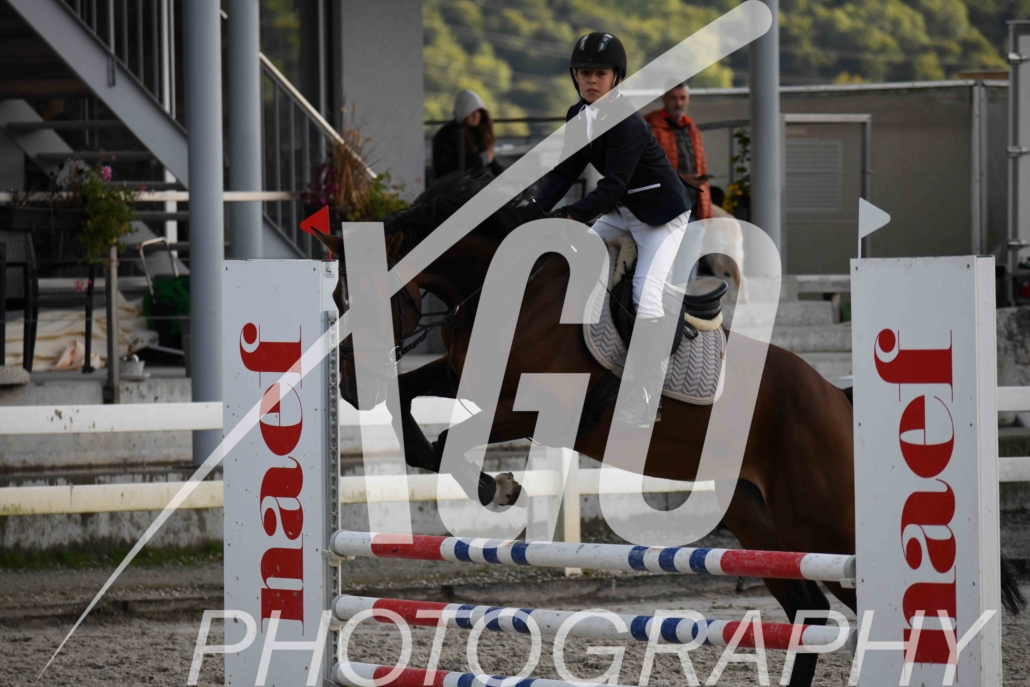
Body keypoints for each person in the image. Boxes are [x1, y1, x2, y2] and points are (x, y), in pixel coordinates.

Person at [531, 32, 696, 428]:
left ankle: (646, 396)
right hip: (623, 211)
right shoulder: (577, 114)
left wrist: (571, 215)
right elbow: (565, 172)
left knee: (646, 294)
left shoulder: (628, 123)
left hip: (660, 217)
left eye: (600, 74)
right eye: (584, 72)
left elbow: (612, 185)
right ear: (574, 76)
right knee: (572, 259)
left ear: (616, 77)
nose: (591, 80)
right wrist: (531, 211)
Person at [644, 81, 712, 220]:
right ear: (664, 99)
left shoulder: (692, 128)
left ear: (688, 99)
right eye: (673, 98)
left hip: (693, 207)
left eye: (682, 98)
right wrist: (682, 179)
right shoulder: (650, 126)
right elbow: (645, 170)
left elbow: (701, 168)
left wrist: (706, 210)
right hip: (664, 208)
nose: (678, 103)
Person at [432, 89, 503, 180]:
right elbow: (449, 169)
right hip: (457, 185)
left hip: (475, 184)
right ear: (463, 112)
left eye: (478, 111)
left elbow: (492, 164)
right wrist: (481, 160)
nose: (476, 116)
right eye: (471, 112)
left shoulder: (478, 133)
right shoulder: (446, 135)